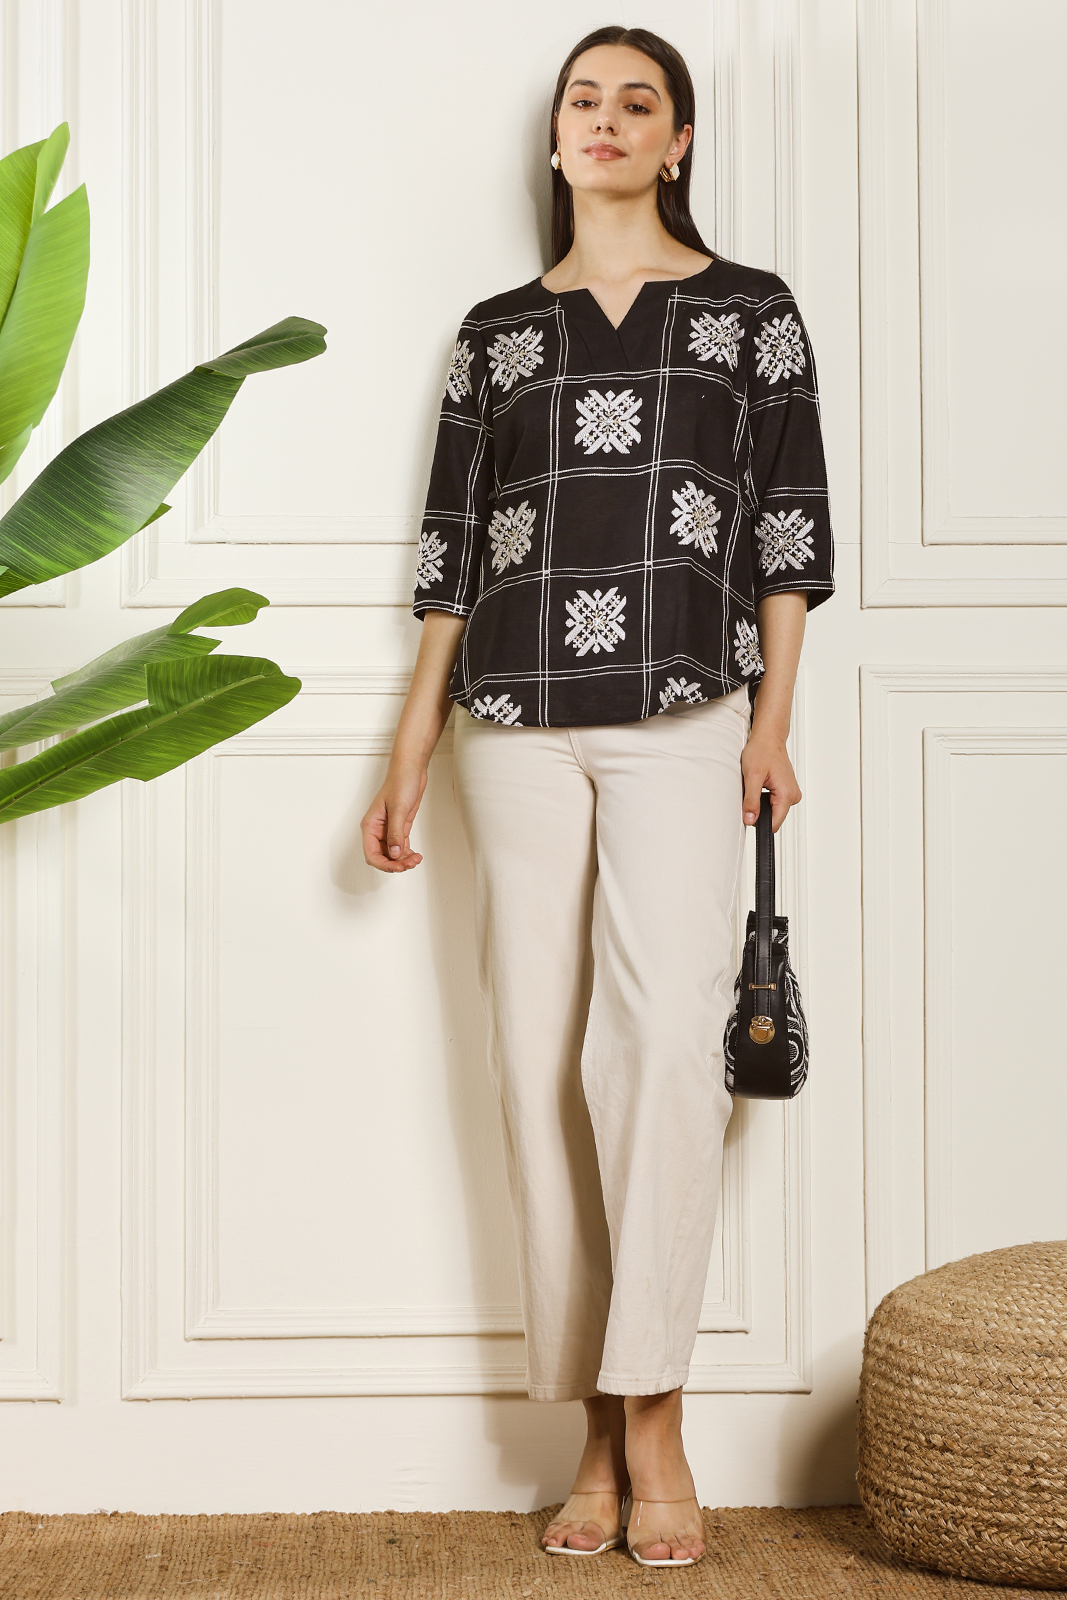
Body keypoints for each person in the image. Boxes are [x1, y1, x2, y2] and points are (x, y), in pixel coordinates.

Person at [361, 23, 835, 1569]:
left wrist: (774, 723)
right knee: (533, 1057)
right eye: (587, 100)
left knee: (662, 1059)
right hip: (511, 719)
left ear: (679, 140)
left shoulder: (751, 313)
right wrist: (410, 745)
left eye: (642, 103)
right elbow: (449, 555)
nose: (610, 121)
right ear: (557, 134)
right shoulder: (497, 333)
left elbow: (788, 531)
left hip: (689, 714)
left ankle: (656, 1412)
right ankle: (589, 1415)